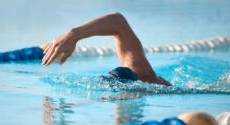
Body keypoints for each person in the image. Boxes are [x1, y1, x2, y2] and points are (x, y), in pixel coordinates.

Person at [41, 13, 172, 86]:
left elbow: (118, 22)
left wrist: (74, 34)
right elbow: (119, 22)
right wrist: (73, 34)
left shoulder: (145, 75)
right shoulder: (145, 74)